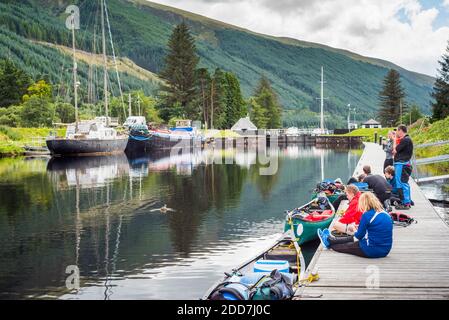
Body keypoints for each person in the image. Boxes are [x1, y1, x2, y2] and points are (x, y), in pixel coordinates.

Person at [317, 192, 393, 258]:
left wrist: (354, 230)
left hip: (370, 250)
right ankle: (329, 240)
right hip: (385, 250)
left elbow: (358, 236)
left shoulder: (367, 215)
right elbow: (378, 230)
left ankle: (329, 242)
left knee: (345, 246)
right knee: (351, 242)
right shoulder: (385, 214)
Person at [392, 125, 413, 210]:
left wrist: (394, 138)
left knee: (401, 183)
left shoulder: (405, 140)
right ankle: (406, 201)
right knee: (402, 182)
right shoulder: (406, 140)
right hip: (402, 164)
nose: (396, 132)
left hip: (402, 164)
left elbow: (394, 150)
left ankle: (406, 203)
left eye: (397, 131)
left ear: (401, 131)